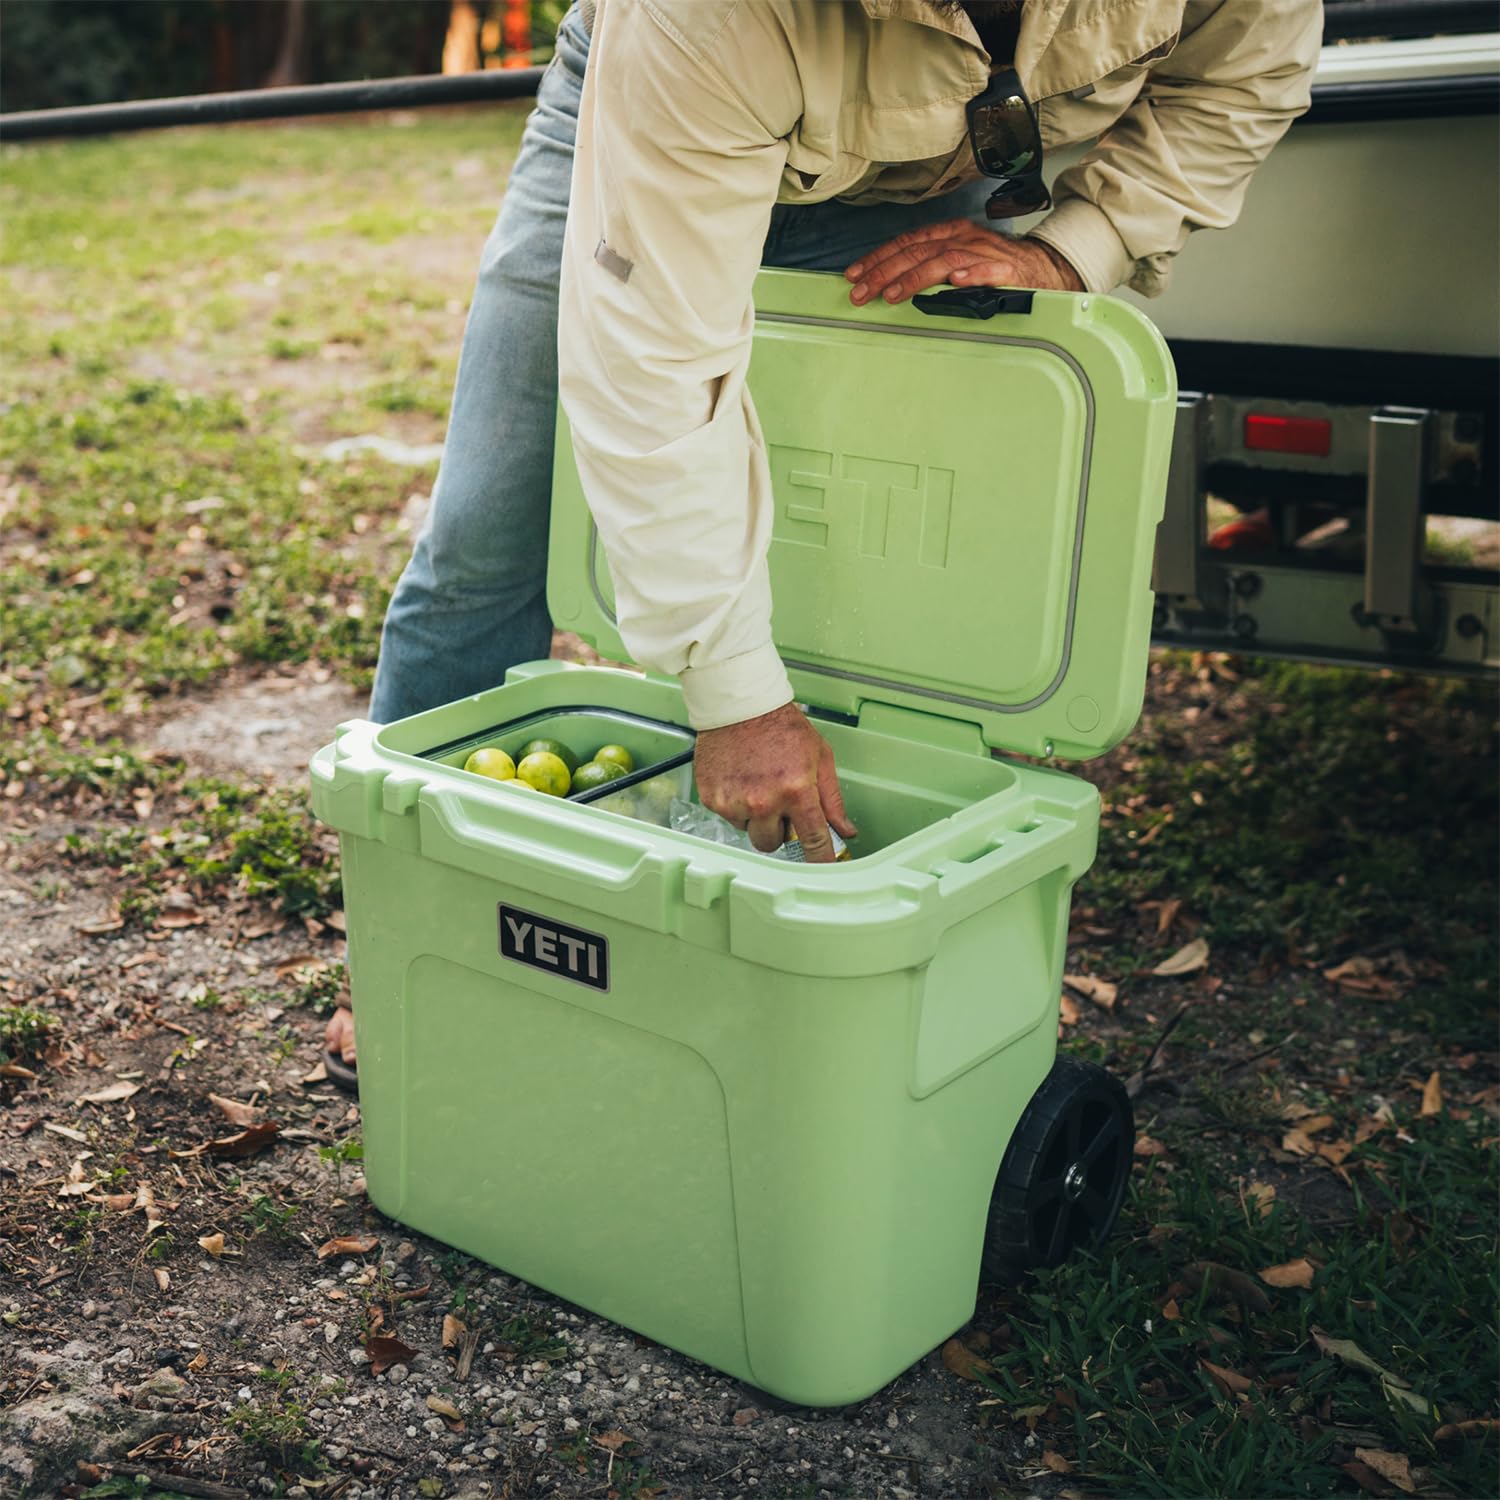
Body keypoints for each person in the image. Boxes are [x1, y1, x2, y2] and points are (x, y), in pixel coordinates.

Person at [325, 0, 1320, 1076]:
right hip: (648, 121)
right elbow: (652, 362)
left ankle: (811, 954)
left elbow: (1245, 73)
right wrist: (735, 692)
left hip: (929, 171)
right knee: (488, 538)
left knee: (872, 558)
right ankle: (400, 951)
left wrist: (1080, 248)